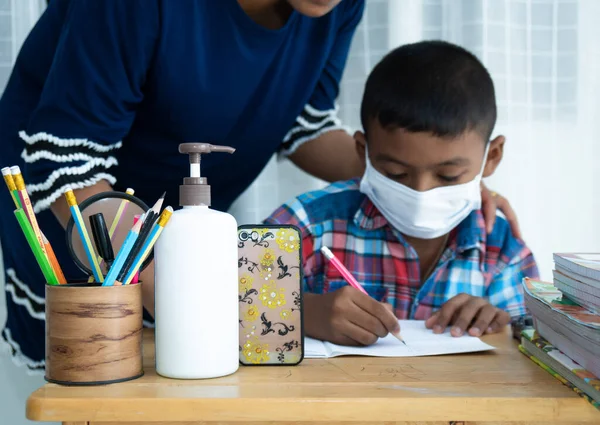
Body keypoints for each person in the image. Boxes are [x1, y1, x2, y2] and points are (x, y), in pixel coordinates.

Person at [0, 1, 517, 372]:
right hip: (84, 222)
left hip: (186, 236)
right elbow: (67, 167)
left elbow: (302, 123)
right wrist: (192, 299)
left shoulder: (332, 7)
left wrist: (426, 185)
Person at [266, 40, 539, 346]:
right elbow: (217, 303)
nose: (421, 192)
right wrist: (303, 313)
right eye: (396, 174)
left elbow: (537, 342)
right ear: (363, 151)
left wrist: (499, 325)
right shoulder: (306, 226)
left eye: (448, 176)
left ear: (492, 157)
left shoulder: (501, 250)